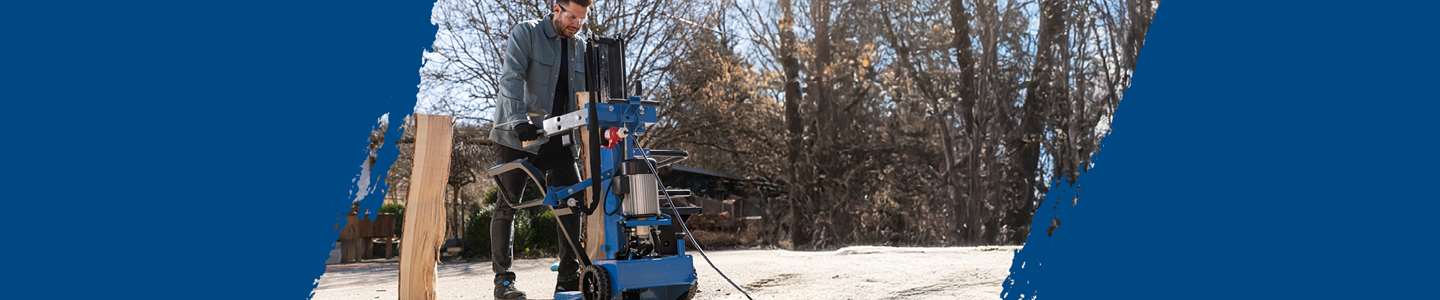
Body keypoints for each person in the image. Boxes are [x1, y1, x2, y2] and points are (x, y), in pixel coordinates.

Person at [488, 0, 591, 299]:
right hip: (519, 136)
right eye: (572, 16)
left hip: (558, 137)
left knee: (572, 202)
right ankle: (504, 282)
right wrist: (518, 120)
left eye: (582, 19)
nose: (576, 24)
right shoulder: (527, 33)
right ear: (556, 9)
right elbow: (511, 78)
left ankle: (568, 278)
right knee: (508, 205)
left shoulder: (581, 46)